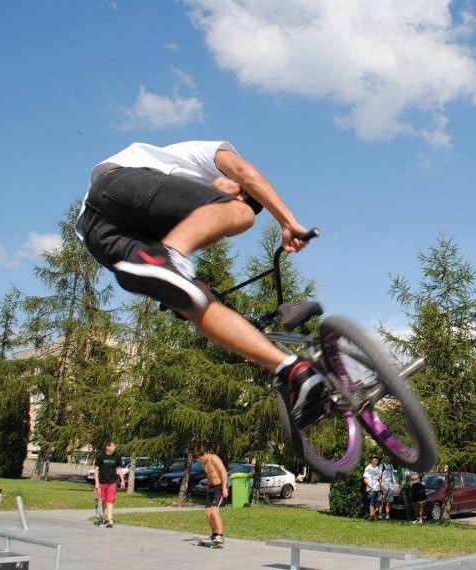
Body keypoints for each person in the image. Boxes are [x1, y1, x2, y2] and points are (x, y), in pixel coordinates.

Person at [75, 141, 326, 429]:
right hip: (120, 184)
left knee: (196, 298)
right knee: (241, 217)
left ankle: (290, 367)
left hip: (99, 235)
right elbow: (246, 171)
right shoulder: (205, 157)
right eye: (241, 192)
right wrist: (287, 221)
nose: (239, 199)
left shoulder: (185, 212)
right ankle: (166, 258)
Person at [193, 445, 228, 544]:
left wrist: (224, 488)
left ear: (204, 454)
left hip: (220, 487)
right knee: (207, 512)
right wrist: (208, 487)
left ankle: (220, 536)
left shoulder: (214, 459)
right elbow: (210, 476)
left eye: (199, 458)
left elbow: (224, 473)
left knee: (214, 511)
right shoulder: (204, 463)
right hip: (211, 489)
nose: (199, 461)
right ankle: (214, 535)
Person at [94, 440, 125, 527]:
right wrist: (96, 483)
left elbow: (119, 469)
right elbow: (96, 470)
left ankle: (110, 520)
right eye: (112, 446)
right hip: (101, 483)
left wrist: (122, 480)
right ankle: (101, 518)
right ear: (107, 447)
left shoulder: (117, 457)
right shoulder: (100, 456)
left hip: (112, 482)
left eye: (114, 446)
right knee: (102, 501)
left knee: (110, 501)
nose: (114, 447)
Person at [379, 455, 397, 520]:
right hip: (383, 484)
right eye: (387, 457)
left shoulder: (391, 466)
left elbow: (392, 475)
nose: (388, 458)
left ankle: (387, 515)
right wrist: (380, 485)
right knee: (382, 501)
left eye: (389, 457)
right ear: (385, 458)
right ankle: (380, 515)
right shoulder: (382, 465)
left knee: (388, 501)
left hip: (389, 485)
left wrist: (393, 484)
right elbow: (379, 475)